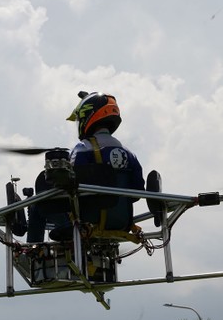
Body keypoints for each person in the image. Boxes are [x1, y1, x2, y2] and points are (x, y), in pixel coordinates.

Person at [27, 91, 143, 242]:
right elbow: (137, 192)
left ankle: (32, 251)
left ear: (87, 116)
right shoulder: (130, 154)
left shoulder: (83, 148)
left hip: (85, 223)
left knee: (37, 205)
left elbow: (69, 185)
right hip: (120, 224)